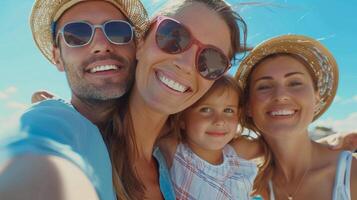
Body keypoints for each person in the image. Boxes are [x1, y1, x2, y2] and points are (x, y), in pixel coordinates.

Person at [0, 0, 149, 199]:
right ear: (57, 58)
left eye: (116, 30)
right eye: (77, 35)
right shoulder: (50, 120)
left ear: (135, 46)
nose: (102, 45)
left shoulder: (166, 138)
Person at [104, 0, 250, 199]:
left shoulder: (168, 168)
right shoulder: (76, 137)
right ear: (140, 42)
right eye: (173, 37)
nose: (186, 65)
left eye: (211, 61)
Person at [235, 34, 357, 200]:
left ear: (317, 97)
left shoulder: (351, 175)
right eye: (264, 86)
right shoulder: (247, 185)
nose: (281, 95)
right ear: (248, 106)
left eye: (295, 83)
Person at [157, 75, 260, 200]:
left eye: (228, 110)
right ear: (182, 119)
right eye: (205, 109)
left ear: (238, 115)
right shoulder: (175, 150)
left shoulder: (237, 152)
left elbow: (279, 142)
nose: (219, 121)